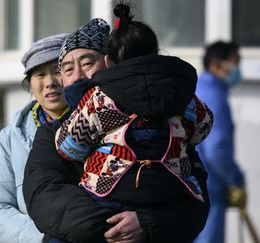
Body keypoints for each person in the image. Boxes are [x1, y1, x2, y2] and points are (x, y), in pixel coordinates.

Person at [24, 11, 210, 243]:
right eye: (68, 69)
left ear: (110, 64)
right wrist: (121, 227)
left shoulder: (101, 104)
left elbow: (196, 204)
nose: (78, 76)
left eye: (88, 63)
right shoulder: (49, 133)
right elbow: (44, 197)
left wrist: (146, 224)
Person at [0, 33, 69, 243]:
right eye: (40, 74)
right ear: (29, 83)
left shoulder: (96, 123)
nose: (49, 82)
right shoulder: (10, 138)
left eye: (57, 71)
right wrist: (43, 239)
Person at [194, 41, 247, 243]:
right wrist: (236, 179)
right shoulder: (214, 95)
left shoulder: (199, 88)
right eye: (235, 63)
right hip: (209, 186)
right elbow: (217, 148)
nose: (238, 70)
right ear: (216, 64)